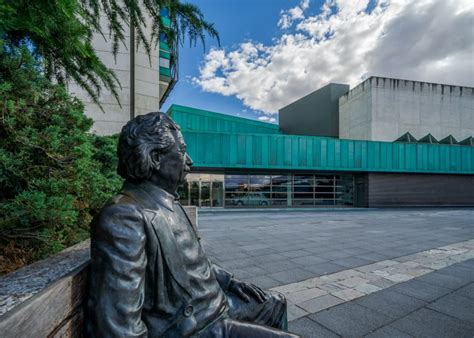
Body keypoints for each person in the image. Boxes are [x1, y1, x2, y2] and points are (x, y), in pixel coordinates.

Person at [85, 112, 298, 337]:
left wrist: (230, 282)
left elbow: (192, 264)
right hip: (199, 326)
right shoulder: (124, 215)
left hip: (219, 303)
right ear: (156, 158)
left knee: (275, 303)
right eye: (183, 151)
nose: (189, 161)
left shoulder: (167, 201)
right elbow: (118, 327)